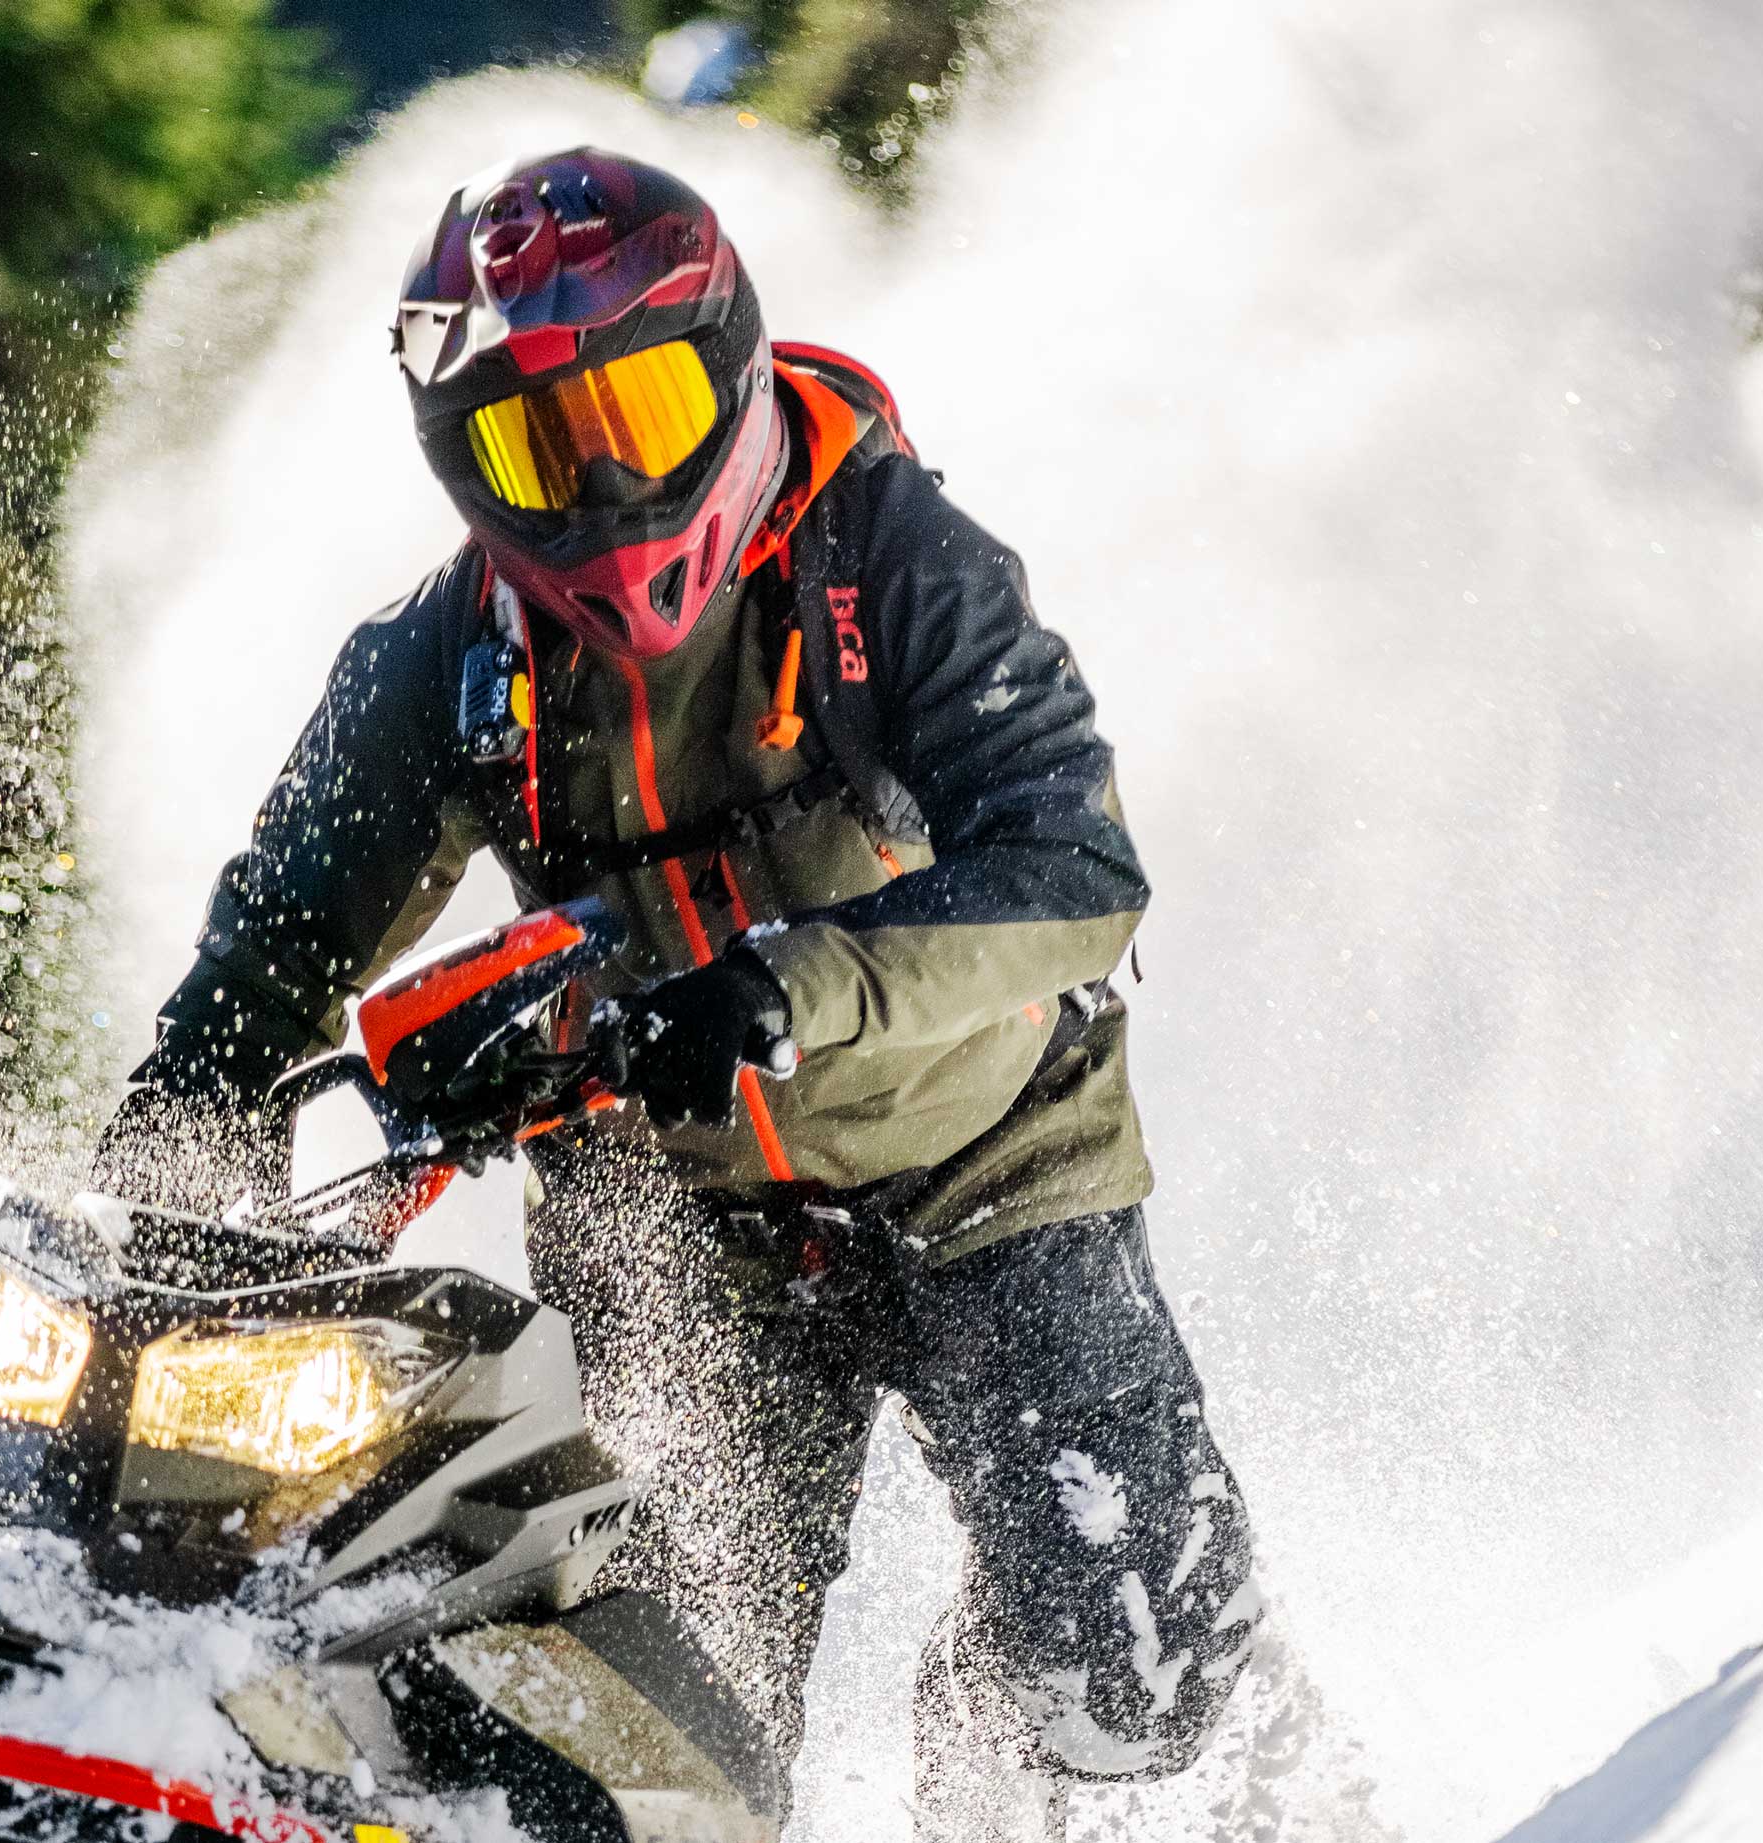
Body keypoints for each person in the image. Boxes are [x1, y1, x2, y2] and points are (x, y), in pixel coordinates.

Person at [94, 148, 1258, 1838]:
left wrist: (787, 988)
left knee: (1134, 1668)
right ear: (456, 459)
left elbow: (1075, 875)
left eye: (632, 412)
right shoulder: (437, 658)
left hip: (991, 1160)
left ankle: (1020, 1758)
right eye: (528, 444)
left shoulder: (897, 555)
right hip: (677, 1229)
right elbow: (272, 944)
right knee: (645, 1755)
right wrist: (160, 1152)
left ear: (722, 361)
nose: (597, 489)